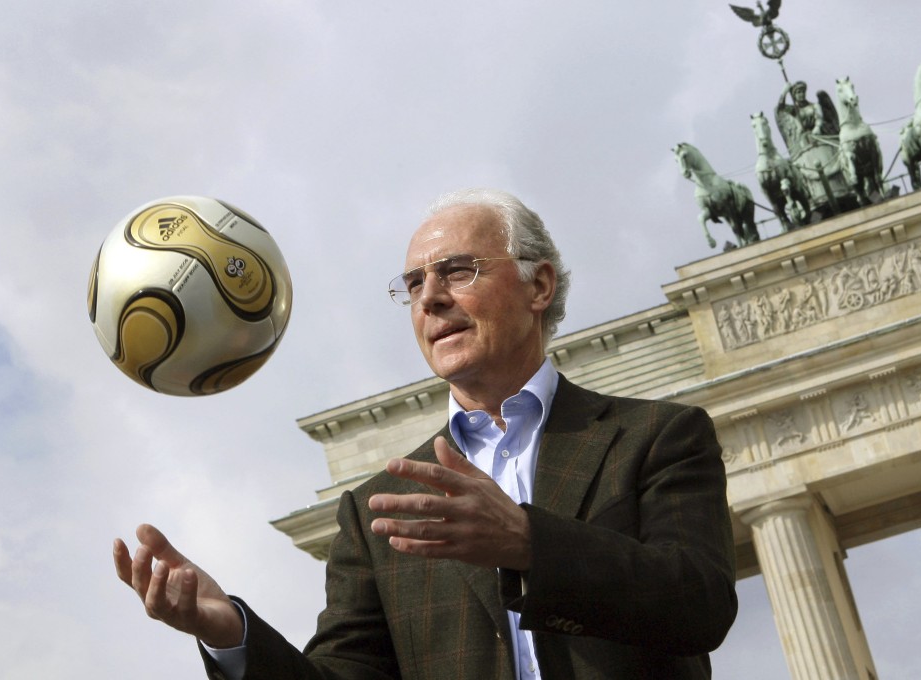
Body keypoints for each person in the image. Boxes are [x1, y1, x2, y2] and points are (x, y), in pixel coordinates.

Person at [114, 188, 738, 679]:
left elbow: (699, 605)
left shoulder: (657, 438)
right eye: (413, 284)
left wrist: (527, 544)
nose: (429, 300)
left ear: (538, 286)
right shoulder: (374, 510)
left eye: (458, 271)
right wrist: (230, 632)